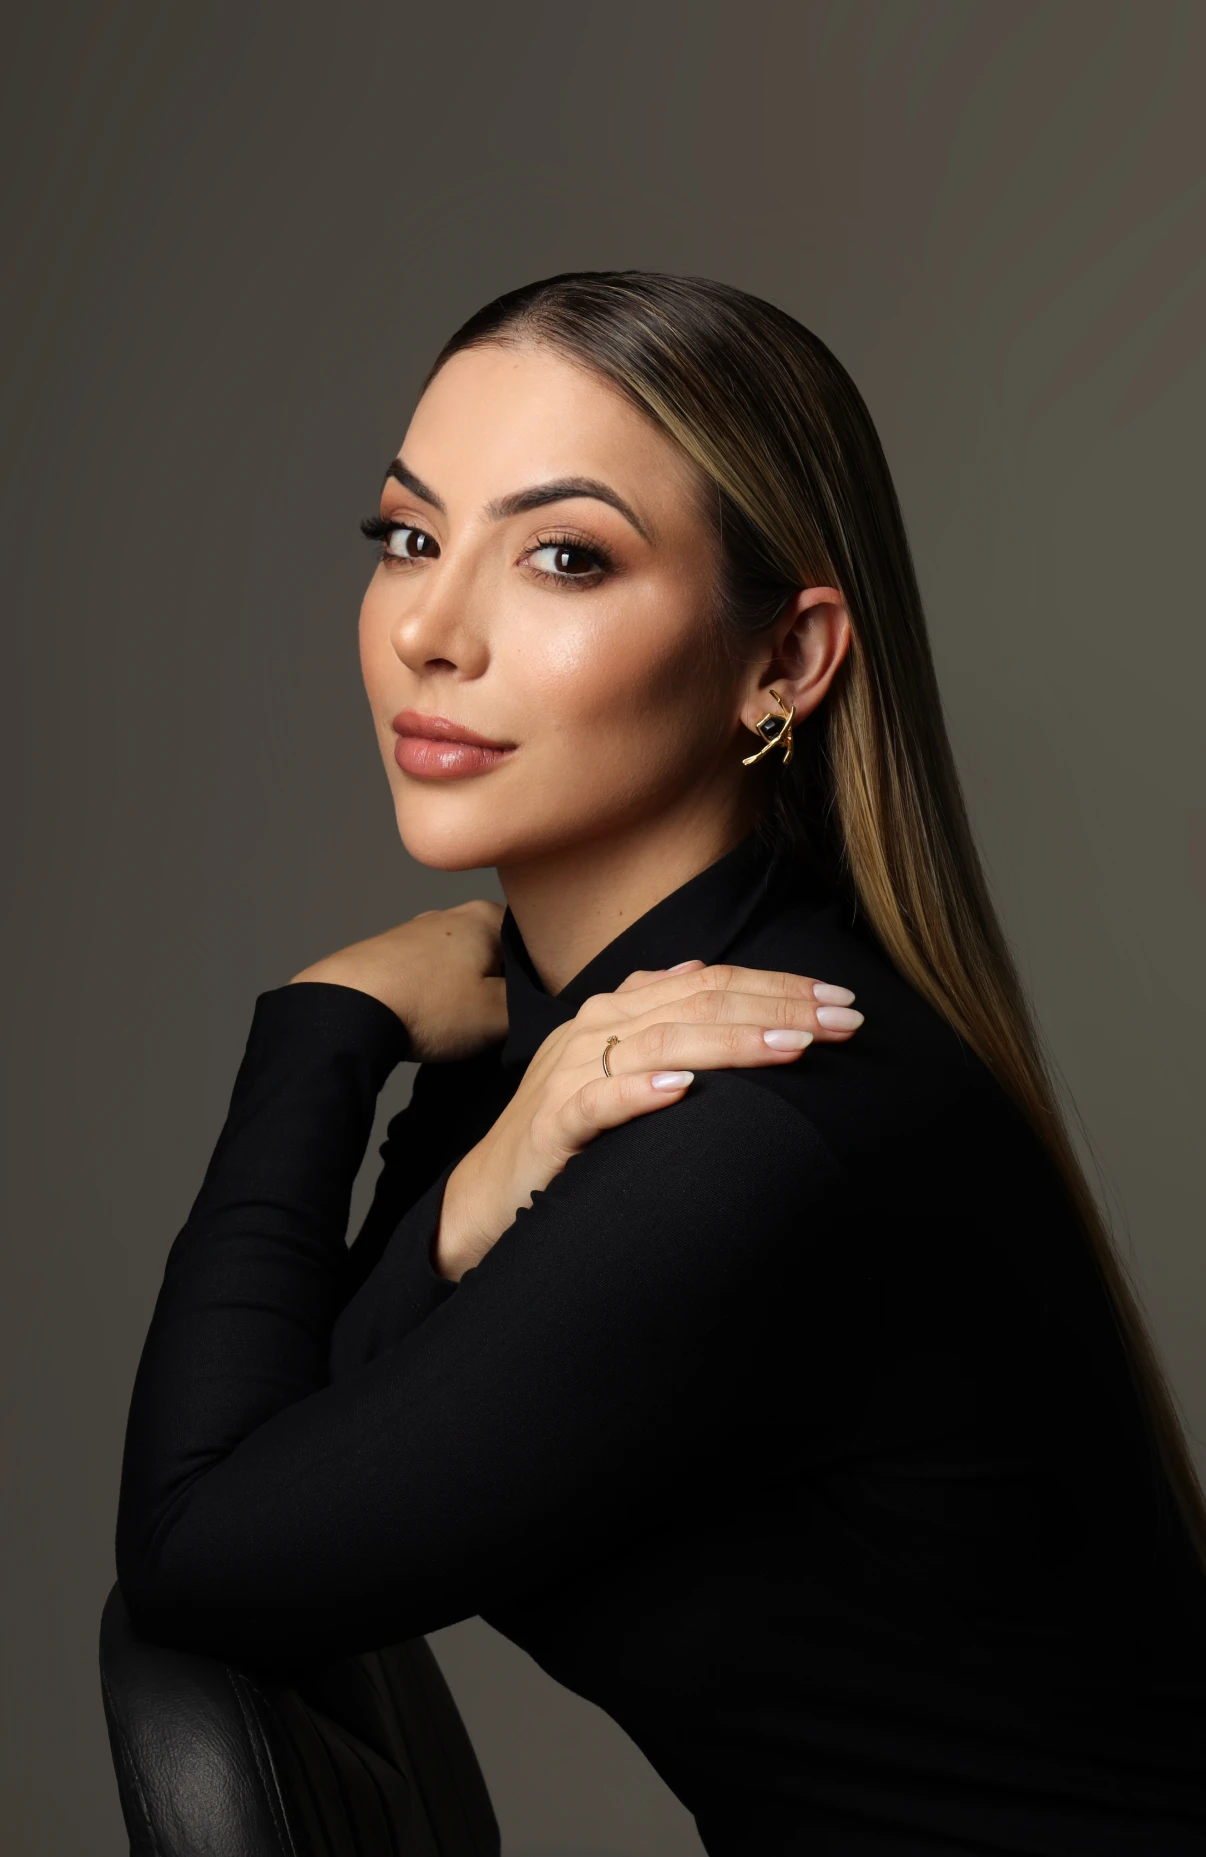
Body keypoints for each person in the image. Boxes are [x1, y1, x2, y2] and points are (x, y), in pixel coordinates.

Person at [115, 271, 1206, 1853]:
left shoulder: (747, 1121)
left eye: (563, 557)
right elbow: (295, 1458)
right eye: (409, 538)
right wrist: (468, 1197)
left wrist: (320, 1032)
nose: (427, 631)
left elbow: (197, 1550)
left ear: (785, 661)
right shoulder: (566, 1059)